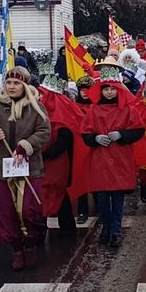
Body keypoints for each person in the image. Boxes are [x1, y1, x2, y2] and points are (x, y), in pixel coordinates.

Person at [0, 66, 51, 270]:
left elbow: (44, 131)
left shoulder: (36, 107)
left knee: (29, 209)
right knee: (6, 211)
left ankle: (31, 244)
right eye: (9, 83)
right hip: (1, 169)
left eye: (16, 83)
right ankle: (17, 250)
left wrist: (25, 146)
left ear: (24, 85)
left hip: (29, 167)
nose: (11, 87)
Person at [79, 59, 145, 247]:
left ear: (119, 90)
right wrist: (95, 138)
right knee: (102, 200)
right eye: (106, 89)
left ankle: (115, 230)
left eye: (112, 89)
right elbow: (85, 133)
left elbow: (139, 130)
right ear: (101, 90)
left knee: (117, 199)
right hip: (100, 160)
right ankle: (107, 226)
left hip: (119, 159)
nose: (109, 92)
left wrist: (122, 135)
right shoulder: (94, 110)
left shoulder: (128, 109)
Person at [39, 81, 84, 235]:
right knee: (45, 191)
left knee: (56, 190)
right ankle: (45, 227)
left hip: (56, 161)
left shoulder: (61, 114)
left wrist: (47, 154)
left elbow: (65, 140)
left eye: (42, 94)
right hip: (43, 159)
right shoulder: (38, 112)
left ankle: (65, 228)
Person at [75, 75, 95, 223]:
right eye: (82, 90)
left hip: (95, 146)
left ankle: (100, 206)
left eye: (88, 89)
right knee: (80, 179)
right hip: (79, 147)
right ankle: (82, 210)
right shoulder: (73, 106)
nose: (85, 92)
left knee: (97, 178)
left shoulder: (98, 106)